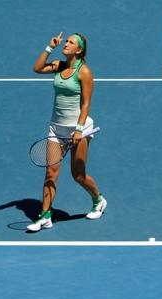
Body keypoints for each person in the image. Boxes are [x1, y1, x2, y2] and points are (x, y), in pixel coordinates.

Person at [27, 32, 107, 232]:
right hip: (56, 128)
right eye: (66, 41)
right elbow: (37, 68)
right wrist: (49, 47)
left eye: (71, 42)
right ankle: (45, 215)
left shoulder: (84, 72)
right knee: (50, 173)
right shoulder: (58, 65)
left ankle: (98, 199)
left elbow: (86, 103)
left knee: (78, 175)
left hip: (79, 129)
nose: (66, 43)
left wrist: (79, 129)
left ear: (78, 50)